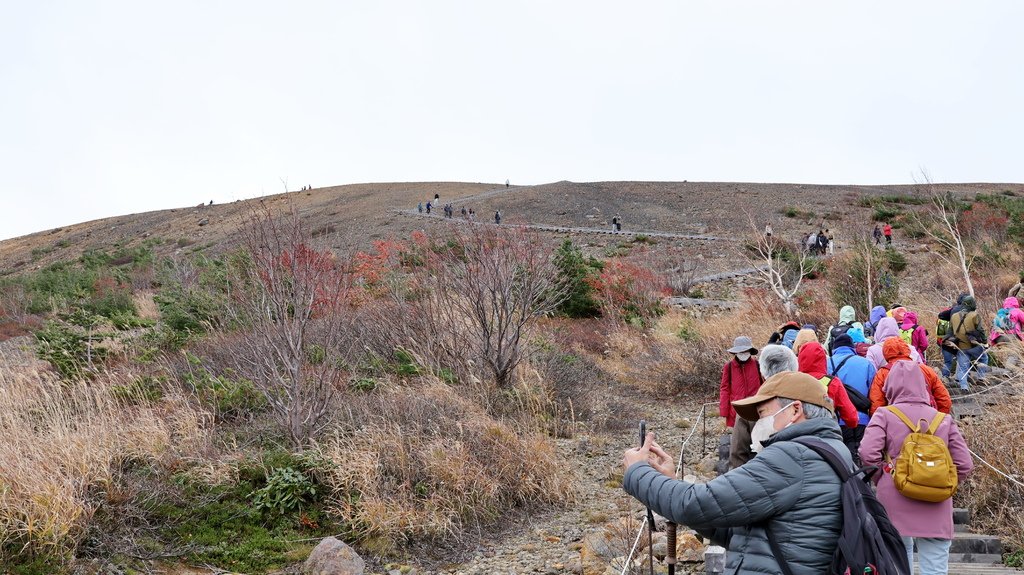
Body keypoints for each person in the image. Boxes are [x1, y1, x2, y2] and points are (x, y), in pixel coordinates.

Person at [622, 371, 848, 575]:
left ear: (795, 410)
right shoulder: (832, 453)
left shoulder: (791, 457)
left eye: (762, 413)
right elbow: (739, 534)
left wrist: (638, 471)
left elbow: (695, 504)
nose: (758, 424)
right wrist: (670, 481)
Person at [859, 360, 973, 575]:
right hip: (936, 502)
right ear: (923, 385)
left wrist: (884, 478)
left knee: (897, 563)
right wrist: (940, 481)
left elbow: (867, 453)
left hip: (895, 499)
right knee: (936, 566)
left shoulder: (884, 415)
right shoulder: (944, 419)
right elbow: (965, 463)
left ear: (890, 386)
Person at [868, 337, 952, 416]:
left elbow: (877, 404)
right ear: (907, 349)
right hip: (927, 420)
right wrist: (938, 421)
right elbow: (944, 399)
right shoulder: (925, 370)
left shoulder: (882, 374)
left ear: (885, 352)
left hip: (896, 422)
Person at [827, 333, 876, 463]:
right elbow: (874, 394)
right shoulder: (866, 364)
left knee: (842, 461)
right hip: (862, 419)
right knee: (862, 459)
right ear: (852, 347)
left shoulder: (827, 363)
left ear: (834, 348)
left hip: (837, 419)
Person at [719, 336, 763, 469]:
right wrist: (724, 411)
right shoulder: (729, 367)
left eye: (745, 351)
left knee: (757, 438)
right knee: (737, 441)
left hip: (755, 408)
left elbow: (764, 384)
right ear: (735, 352)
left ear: (750, 351)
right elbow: (725, 388)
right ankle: (737, 469)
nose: (743, 354)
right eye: (740, 352)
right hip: (736, 409)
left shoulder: (757, 364)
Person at [797, 341, 859, 430]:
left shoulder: (793, 381)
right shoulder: (832, 382)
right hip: (826, 432)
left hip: (798, 433)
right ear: (823, 359)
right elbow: (852, 419)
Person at [949, 295, 987, 391]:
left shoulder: (953, 316)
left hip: (960, 346)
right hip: (974, 345)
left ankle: (964, 387)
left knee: (963, 368)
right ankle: (981, 377)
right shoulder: (974, 315)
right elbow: (981, 330)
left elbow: (950, 331)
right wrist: (985, 342)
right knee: (984, 358)